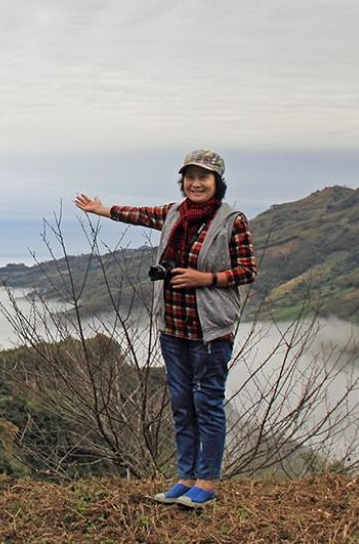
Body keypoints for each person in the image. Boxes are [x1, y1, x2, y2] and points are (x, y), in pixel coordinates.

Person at [74, 149, 257, 508]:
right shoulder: (175, 213)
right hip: (172, 327)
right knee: (182, 405)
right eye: (190, 177)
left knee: (207, 404)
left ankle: (206, 482)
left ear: (217, 182)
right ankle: (185, 478)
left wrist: (205, 278)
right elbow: (141, 215)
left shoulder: (231, 221)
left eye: (203, 177)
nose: (195, 183)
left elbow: (247, 270)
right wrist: (102, 209)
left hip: (209, 330)